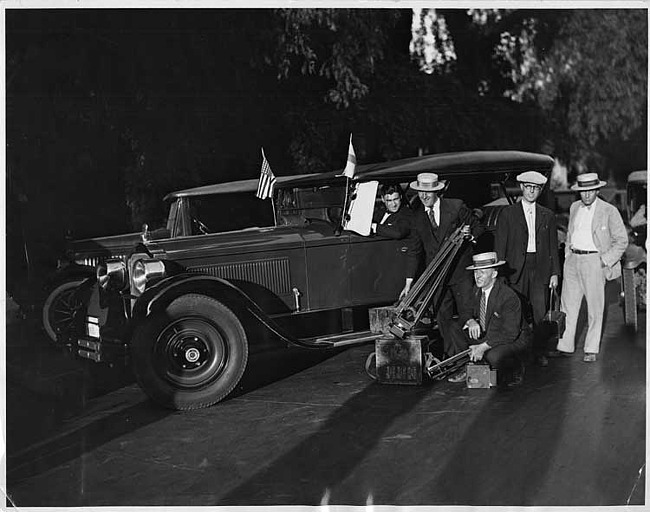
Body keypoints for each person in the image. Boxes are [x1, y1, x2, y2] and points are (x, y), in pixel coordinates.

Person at [400, 172, 481, 356]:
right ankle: (453, 359)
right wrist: (408, 283)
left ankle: (473, 358)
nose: (424, 196)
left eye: (428, 192)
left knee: (467, 316)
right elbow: (414, 251)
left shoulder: (456, 206)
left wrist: (470, 235)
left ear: (437, 191)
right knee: (443, 319)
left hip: (461, 273)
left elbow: (478, 227)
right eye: (420, 192)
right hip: (437, 278)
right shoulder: (417, 216)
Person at [552, 172, 628, 362]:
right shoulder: (574, 207)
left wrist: (605, 260)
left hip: (594, 261)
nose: (586, 195)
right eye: (582, 191)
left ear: (596, 190)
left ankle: (591, 348)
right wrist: (568, 254)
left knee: (595, 307)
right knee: (568, 305)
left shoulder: (609, 210)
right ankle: (565, 345)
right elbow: (570, 233)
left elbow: (622, 240)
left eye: (590, 191)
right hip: (573, 260)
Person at [494, 170, 560, 367]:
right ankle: (518, 352)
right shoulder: (507, 213)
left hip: (540, 268)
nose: (532, 191)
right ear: (522, 187)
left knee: (540, 312)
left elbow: (552, 247)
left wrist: (555, 272)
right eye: (529, 187)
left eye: (536, 188)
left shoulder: (547, 215)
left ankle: (538, 351)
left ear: (540, 190)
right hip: (514, 269)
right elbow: (500, 246)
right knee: (516, 312)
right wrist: (501, 274)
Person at [446, 252, 531, 386]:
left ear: (494, 274)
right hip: (491, 333)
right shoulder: (476, 290)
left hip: (512, 339)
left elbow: (510, 334)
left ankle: (515, 370)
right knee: (455, 328)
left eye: (482, 272)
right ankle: (468, 367)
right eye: (475, 272)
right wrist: (470, 321)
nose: (477, 276)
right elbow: (465, 311)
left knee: (493, 357)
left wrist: (482, 347)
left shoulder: (508, 297)